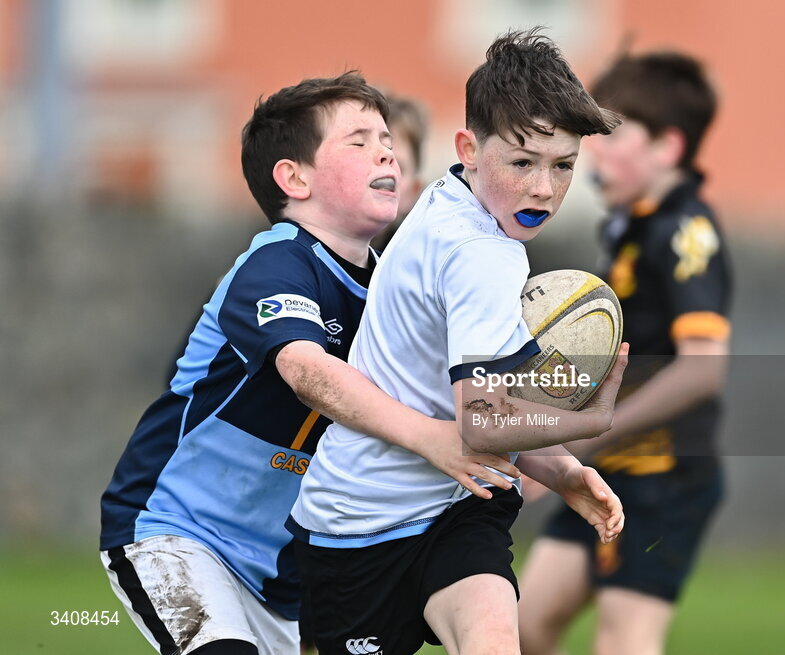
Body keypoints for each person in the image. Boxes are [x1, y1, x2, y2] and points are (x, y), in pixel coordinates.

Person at [99, 72, 520, 655]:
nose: (386, 150)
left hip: (297, 566)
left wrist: (565, 457)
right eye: (359, 140)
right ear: (293, 178)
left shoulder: (395, 286)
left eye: (386, 139)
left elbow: (475, 395)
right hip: (184, 538)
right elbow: (308, 373)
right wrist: (432, 438)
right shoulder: (276, 265)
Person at [288, 29, 627, 655]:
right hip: (360, 526)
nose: (543, 191)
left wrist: (561, 471)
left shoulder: (451, 202)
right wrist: (590, 420)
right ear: (469, 147)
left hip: (460, 505)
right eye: (522, 162)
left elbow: (474, 415)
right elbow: (482, 422)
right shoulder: (481, 252)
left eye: (563, 166)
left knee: (495, 640)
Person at [518, 51, 733, 655]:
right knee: (522, 629)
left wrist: (583, 437)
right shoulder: (630, 227)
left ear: (667, 147)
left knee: (624, 641)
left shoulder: (686, 231)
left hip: (663, 477)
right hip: (612, 469)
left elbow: (703, 371)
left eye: (611, 134)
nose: (595, 150)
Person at [370, 93, 430, 252]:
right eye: (373, 160)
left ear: (414, 191)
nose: (384, 174)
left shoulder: (419, 260)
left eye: (399, 167)